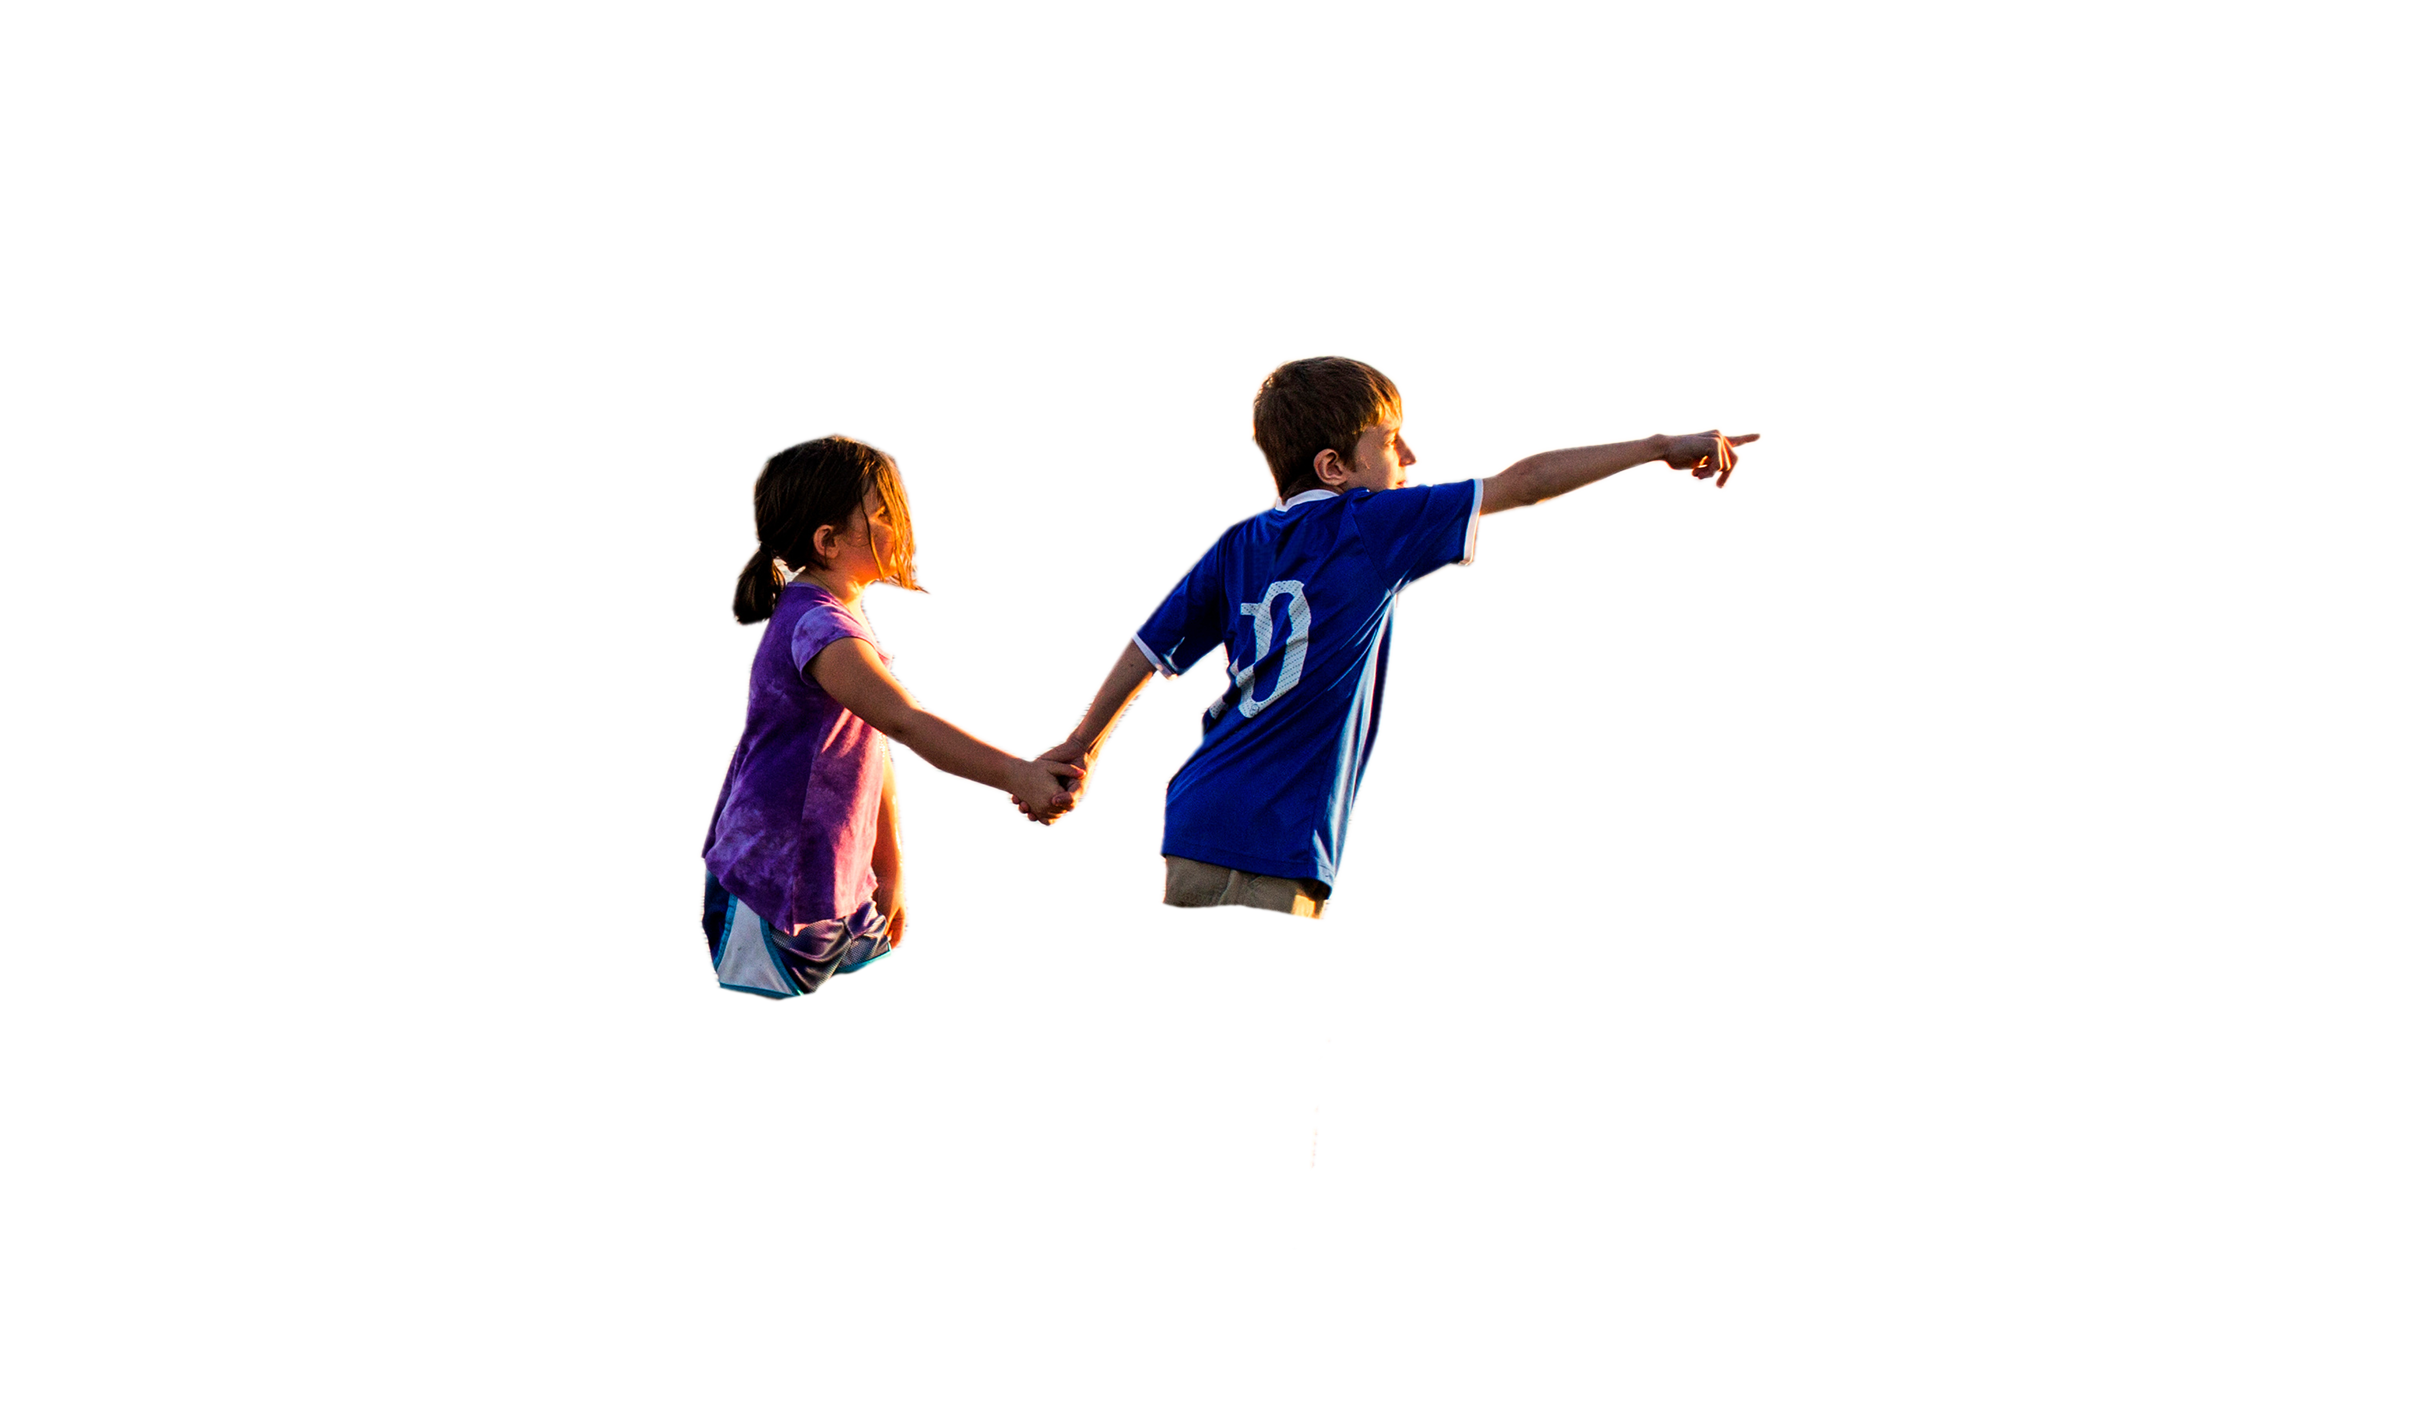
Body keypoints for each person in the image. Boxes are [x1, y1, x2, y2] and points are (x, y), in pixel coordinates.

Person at [1037, 357, 1755, 1238]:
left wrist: (1082, 744)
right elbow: (1523, 482)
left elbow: (1150, 648)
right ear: (1338, 469)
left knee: (1304, 1023)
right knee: (1231, 1062)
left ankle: (1289, 1232)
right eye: (1391, 441)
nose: (1409, 455)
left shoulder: (1244, 542)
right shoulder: (1369, 524)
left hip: (1215, 823)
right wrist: (1656, 445)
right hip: (1260, 844)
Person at [701, 437, 1084, 1003]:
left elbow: (873, 752)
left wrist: (888, 867)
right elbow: (905, 722)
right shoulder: (818, 627)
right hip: (771, 884)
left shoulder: (839, 613)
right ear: (828, 541)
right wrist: (1018, 775)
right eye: (884, 515)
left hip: (843, 888)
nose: (905, 527)